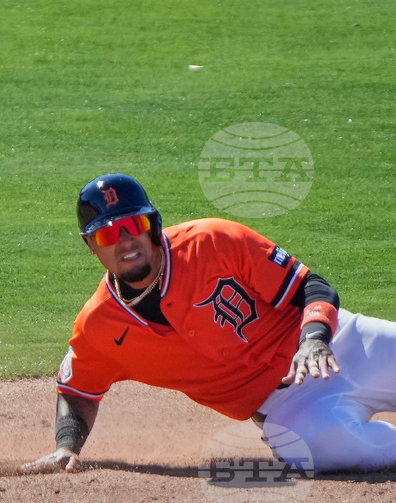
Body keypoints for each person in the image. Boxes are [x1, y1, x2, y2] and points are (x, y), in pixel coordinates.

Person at [22, 173, 396, 474]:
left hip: (344, 345)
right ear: (90, 245)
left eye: (133, 224)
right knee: (327, 449)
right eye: (106, 233)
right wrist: (65, 446)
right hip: (289, 409)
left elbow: (310, 287)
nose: (125, 241)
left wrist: (314, 337)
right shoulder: (99, 327)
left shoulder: (213, 241)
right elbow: (77, 391)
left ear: (152, 224)